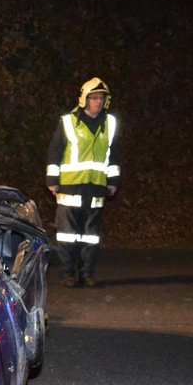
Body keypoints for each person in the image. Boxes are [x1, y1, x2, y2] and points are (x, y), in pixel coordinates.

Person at [46, 77, 121, 288]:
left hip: (96, 187)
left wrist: (113, 181)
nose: (98, 102)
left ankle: (87, 274)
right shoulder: (68, 122)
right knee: (68, 235)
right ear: (84, 99)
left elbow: (114, 155)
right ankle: (67, 274)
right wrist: (52, 179)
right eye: (94, 98)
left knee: (91, 237)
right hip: (70, 186)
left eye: (101, 98)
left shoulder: (110, 124)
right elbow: (55, 151)